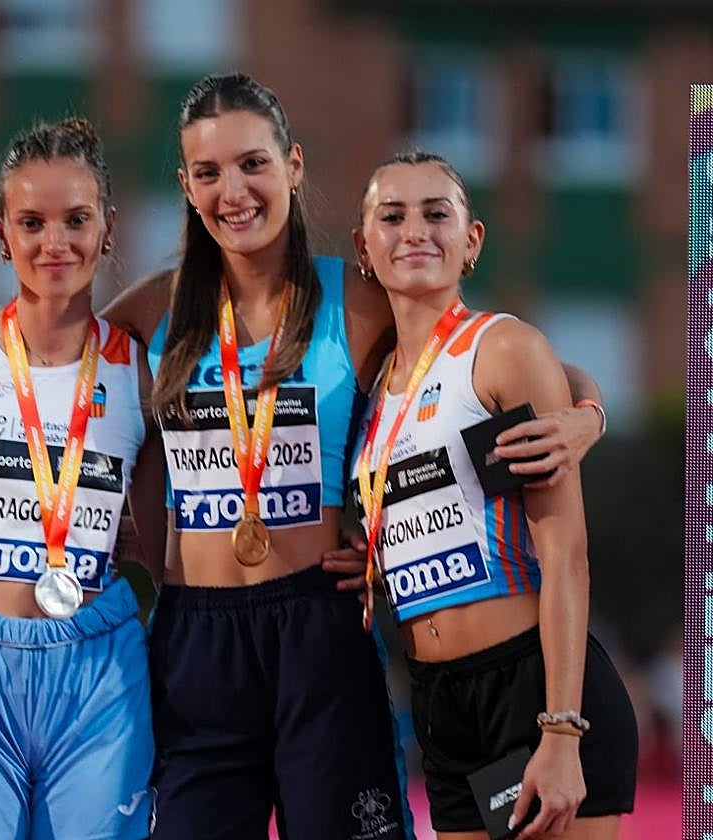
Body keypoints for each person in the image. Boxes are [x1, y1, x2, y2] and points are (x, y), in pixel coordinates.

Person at [102, 73, 607, 840]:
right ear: (185, 184)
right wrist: (120, 528)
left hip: (318, 628)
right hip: (195, 641)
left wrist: (586, 414)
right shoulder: (154, 308)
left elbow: (502, 359)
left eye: (252, 165)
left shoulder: (357, 300)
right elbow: (51, 388)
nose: (232, 191)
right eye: (208, 173)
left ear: (293, 167)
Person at [350, 151, 636, 839]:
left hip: (535, 688)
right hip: (440, 705)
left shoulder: (498, 352)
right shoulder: (371, 388)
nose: (414, 230)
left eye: (436, 213)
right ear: (365, 247)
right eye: (392, 216)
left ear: (471, 240)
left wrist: (562, 731)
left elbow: (565, 554)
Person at [0, 117, 166, 840]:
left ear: (108, 228)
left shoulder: (139, 369)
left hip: (96, 673)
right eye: (33, 222)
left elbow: (161, 547)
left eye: (77, 220)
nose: (56, 243)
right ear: (1, 232)